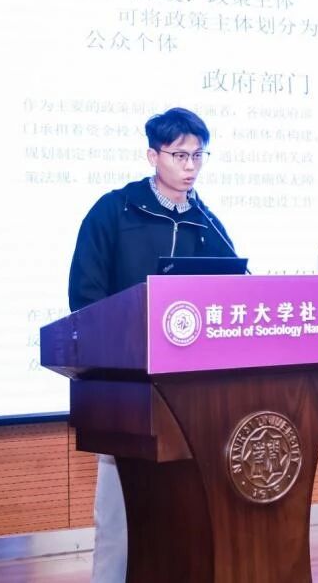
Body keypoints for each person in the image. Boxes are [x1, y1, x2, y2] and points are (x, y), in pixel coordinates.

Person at [67, 106, 236, 583]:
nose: (190, 165)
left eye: (198, 155)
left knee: (185, 514)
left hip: (192, 396)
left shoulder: (207, 222)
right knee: (120, 518)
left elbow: (232, 292)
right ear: (152, 156)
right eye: (180, 155)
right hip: (127, 389)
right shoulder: (114, 212)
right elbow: (85, 296)